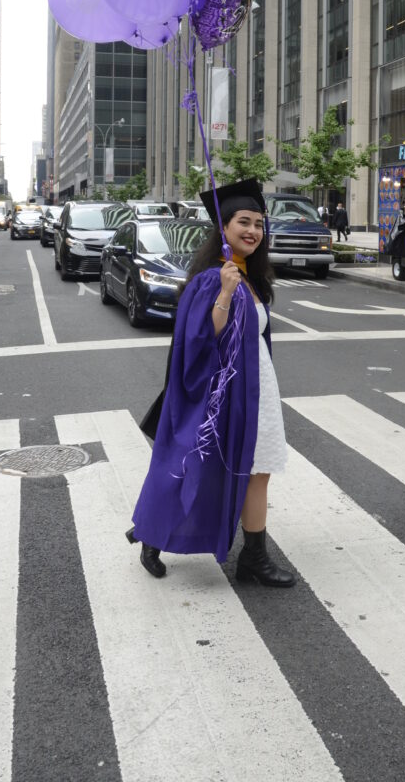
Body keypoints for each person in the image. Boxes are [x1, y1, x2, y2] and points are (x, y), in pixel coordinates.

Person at [126, 178, 295, 588]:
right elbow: (202, 338)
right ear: (223, 228)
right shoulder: (213, 279)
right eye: (243, 221)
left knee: (258, 472)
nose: (253, 230)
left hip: (257, 392)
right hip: (226, 393)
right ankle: (153, 530)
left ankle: (253, 557)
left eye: (259, 223)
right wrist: (223, 294)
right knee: (195, 466)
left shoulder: (250, 278)